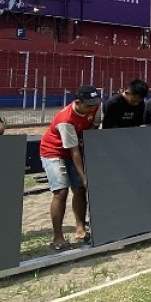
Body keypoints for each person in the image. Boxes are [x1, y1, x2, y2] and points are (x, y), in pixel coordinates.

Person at [39, 85, 103, 251]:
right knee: (61, 191)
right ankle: (58, 238)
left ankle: (81, 229)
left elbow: (95, 127)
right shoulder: (65, 120)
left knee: (79, 190)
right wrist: (83, 176)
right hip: (54, 152)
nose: (92, 107)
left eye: (94, 103)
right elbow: (74, 152)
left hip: (74, 148)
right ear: (77, 102)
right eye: (88, 105)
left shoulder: (95, 106)